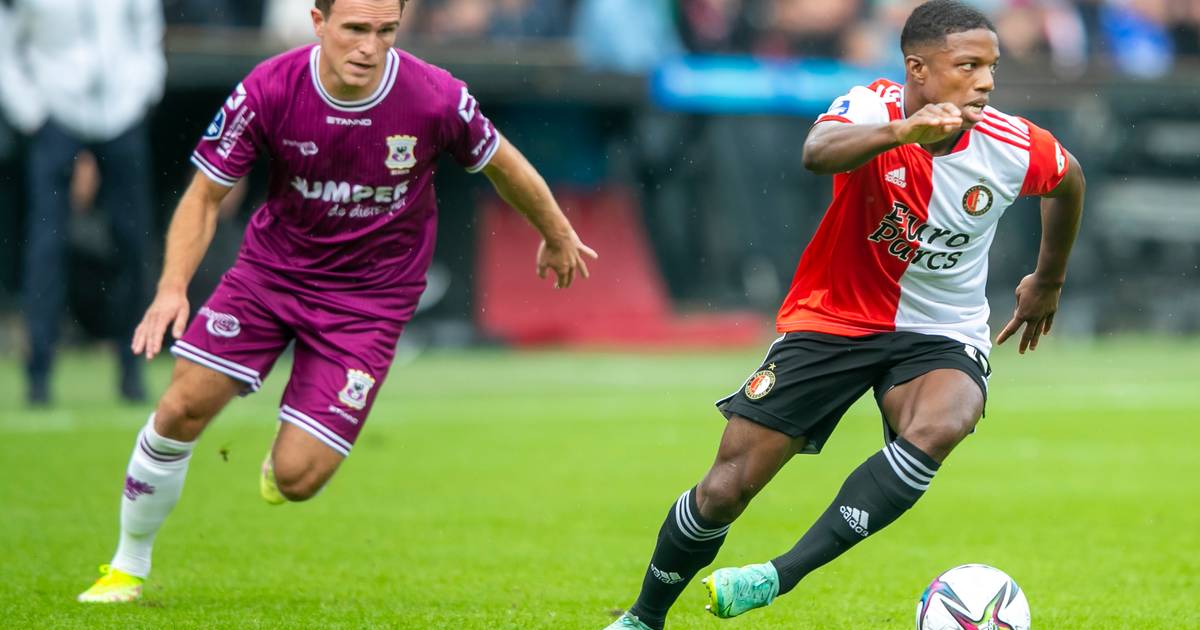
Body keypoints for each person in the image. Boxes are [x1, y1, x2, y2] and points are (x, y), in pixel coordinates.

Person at [77, 0, 597, 603]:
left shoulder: (434, 96)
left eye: (385, 31)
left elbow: (503, 165)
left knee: (297, 479)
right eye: (354, 29)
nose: (369, 48)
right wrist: (172, 288)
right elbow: (204, 197)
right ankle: (127, 564)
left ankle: (290, 449)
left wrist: (556, 231)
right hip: (271, 276)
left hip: (369, 302)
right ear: (318, 22)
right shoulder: (269, 89)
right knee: (180, 408)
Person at [605, 1, 1085, 627]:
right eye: (968, 66)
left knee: (947, 419)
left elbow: (1069, 181)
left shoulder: (1011, 143)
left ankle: (779, 575)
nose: (986, 82)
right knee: (726, 487)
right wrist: (902, 134)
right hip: (834, 318)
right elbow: (817, 151)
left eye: (991, 66)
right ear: (918, 68)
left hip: (940, 329)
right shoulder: (871, 106)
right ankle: (643, 618)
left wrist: (1047, 279)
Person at [0, 0, 165, 405]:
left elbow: (147, 30)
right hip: (54, 115)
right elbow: (6, 41)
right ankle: (39, 372)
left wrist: (144, 89)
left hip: (122, 112)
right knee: (46, 246)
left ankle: (133, 367)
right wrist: (31, 111)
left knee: (133, 243)